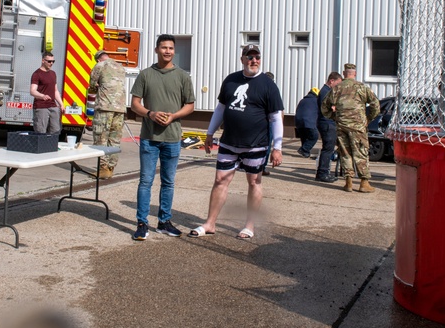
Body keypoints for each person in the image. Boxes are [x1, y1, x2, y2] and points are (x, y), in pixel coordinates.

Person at [190, 44, 284, 239]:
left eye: (256, 57)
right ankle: (210, 223)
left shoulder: (268, 85)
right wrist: (209, 133)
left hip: (256, 144)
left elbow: (276, 117)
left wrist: (277, 147)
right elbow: (220, 109)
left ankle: (249, 225)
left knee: (254, 182)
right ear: (242, 59)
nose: (253, 61)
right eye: (249, 57)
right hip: (228, 142)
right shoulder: (231, 80)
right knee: (220, 181)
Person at [129, 34, 195, 240]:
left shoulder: (183, 76)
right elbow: (135, 104)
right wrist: (150, 113)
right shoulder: (146, 75)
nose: (167, 51)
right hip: (149, 138)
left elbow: (190, 105)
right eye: (164, 48)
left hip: (173, 138)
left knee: (168, 182)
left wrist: (174, 116)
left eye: (171, 48)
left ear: (174, 51)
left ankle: (164, 221)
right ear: (156, 50)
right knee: (146, 181)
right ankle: (142, 223)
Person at [322, 64, 379, 193]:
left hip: (342, 124)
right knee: (360, 151)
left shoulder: (337, 88)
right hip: (358, 125)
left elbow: (324, 106)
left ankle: (348, 182)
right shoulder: (361, 87)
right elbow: (375, 104)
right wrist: (368, 119)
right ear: (355, 73)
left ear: (344, 73)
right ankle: (364, 182)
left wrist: (334, 117)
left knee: (345, 152)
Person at [87, 49, 126, 179]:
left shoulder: (100, 66)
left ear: (98, 59)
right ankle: (111, 167)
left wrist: (96, 86)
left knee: (101, 137)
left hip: (104, 107)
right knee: (114, 139)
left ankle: (103, 168)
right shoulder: (120, 67)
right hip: (120, 108)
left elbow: (92, 86)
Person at [315, 71, 343, 183]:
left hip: (327, 123)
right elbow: (331, 109)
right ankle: (322, 173)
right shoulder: (326, 92)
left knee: (328, 148)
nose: (338, 87)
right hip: (327, 123)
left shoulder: (326, 91)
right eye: (337, 84)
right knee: (328, 148)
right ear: (332, 81)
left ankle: (323, 172)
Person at [30, 51, 62, 135]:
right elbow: (32, 91)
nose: (51, 63)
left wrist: (61, 104)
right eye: (49, 61)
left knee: (56, 130)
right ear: (43, 60)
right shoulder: (37, 74)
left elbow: (55, 90)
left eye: (53, 61)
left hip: (53, 105)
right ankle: (40, 147)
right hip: (41, 107)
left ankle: (52, 146)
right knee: (41, 131)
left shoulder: (53, 74)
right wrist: (42, 96)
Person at [294, 87, 319, 157]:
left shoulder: (302, 100)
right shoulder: (316, 101)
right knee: (314, 136)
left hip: (298, 122)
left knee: (304, 138)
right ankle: (304, 149)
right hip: (309, 122)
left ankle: (305, 153)